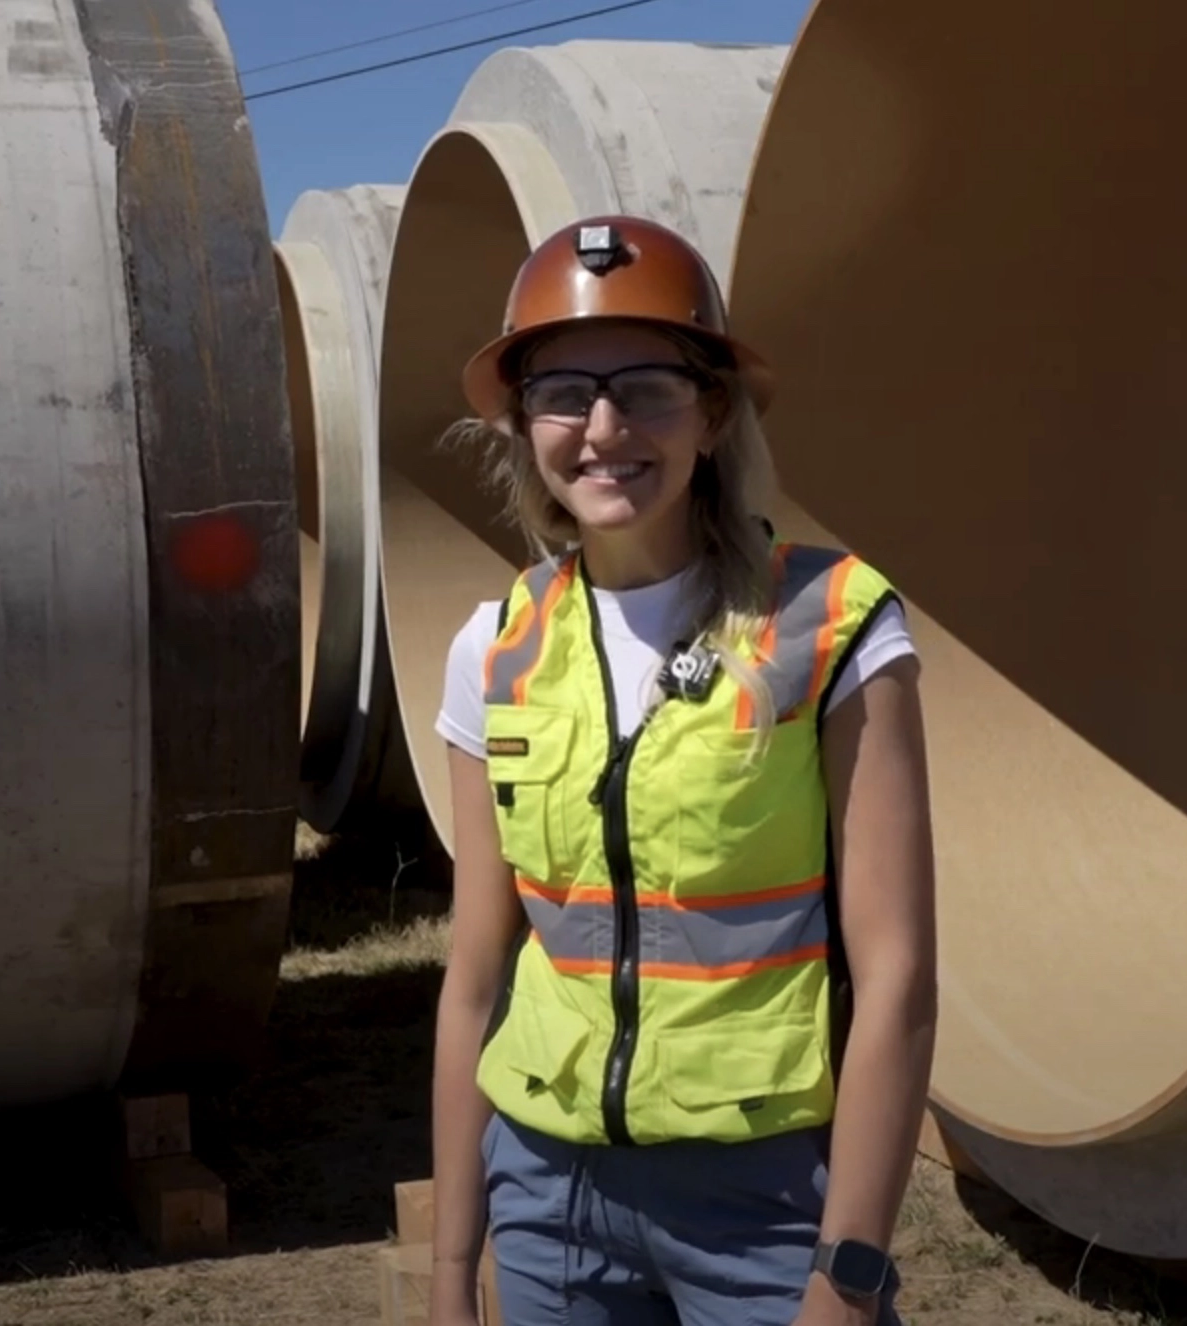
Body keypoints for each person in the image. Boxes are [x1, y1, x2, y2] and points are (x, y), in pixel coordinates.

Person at [426, 214, 938, 1326]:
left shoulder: (833, 626)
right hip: (546, 1198)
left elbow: (896, 976)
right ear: (522, 423)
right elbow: (475, 977)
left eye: (647, 387)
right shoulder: (494, 648)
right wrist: (449, 1271)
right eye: (564, 393)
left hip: (760, 1205)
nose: (604, 429)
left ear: (711, 413)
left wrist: (847, 1276)